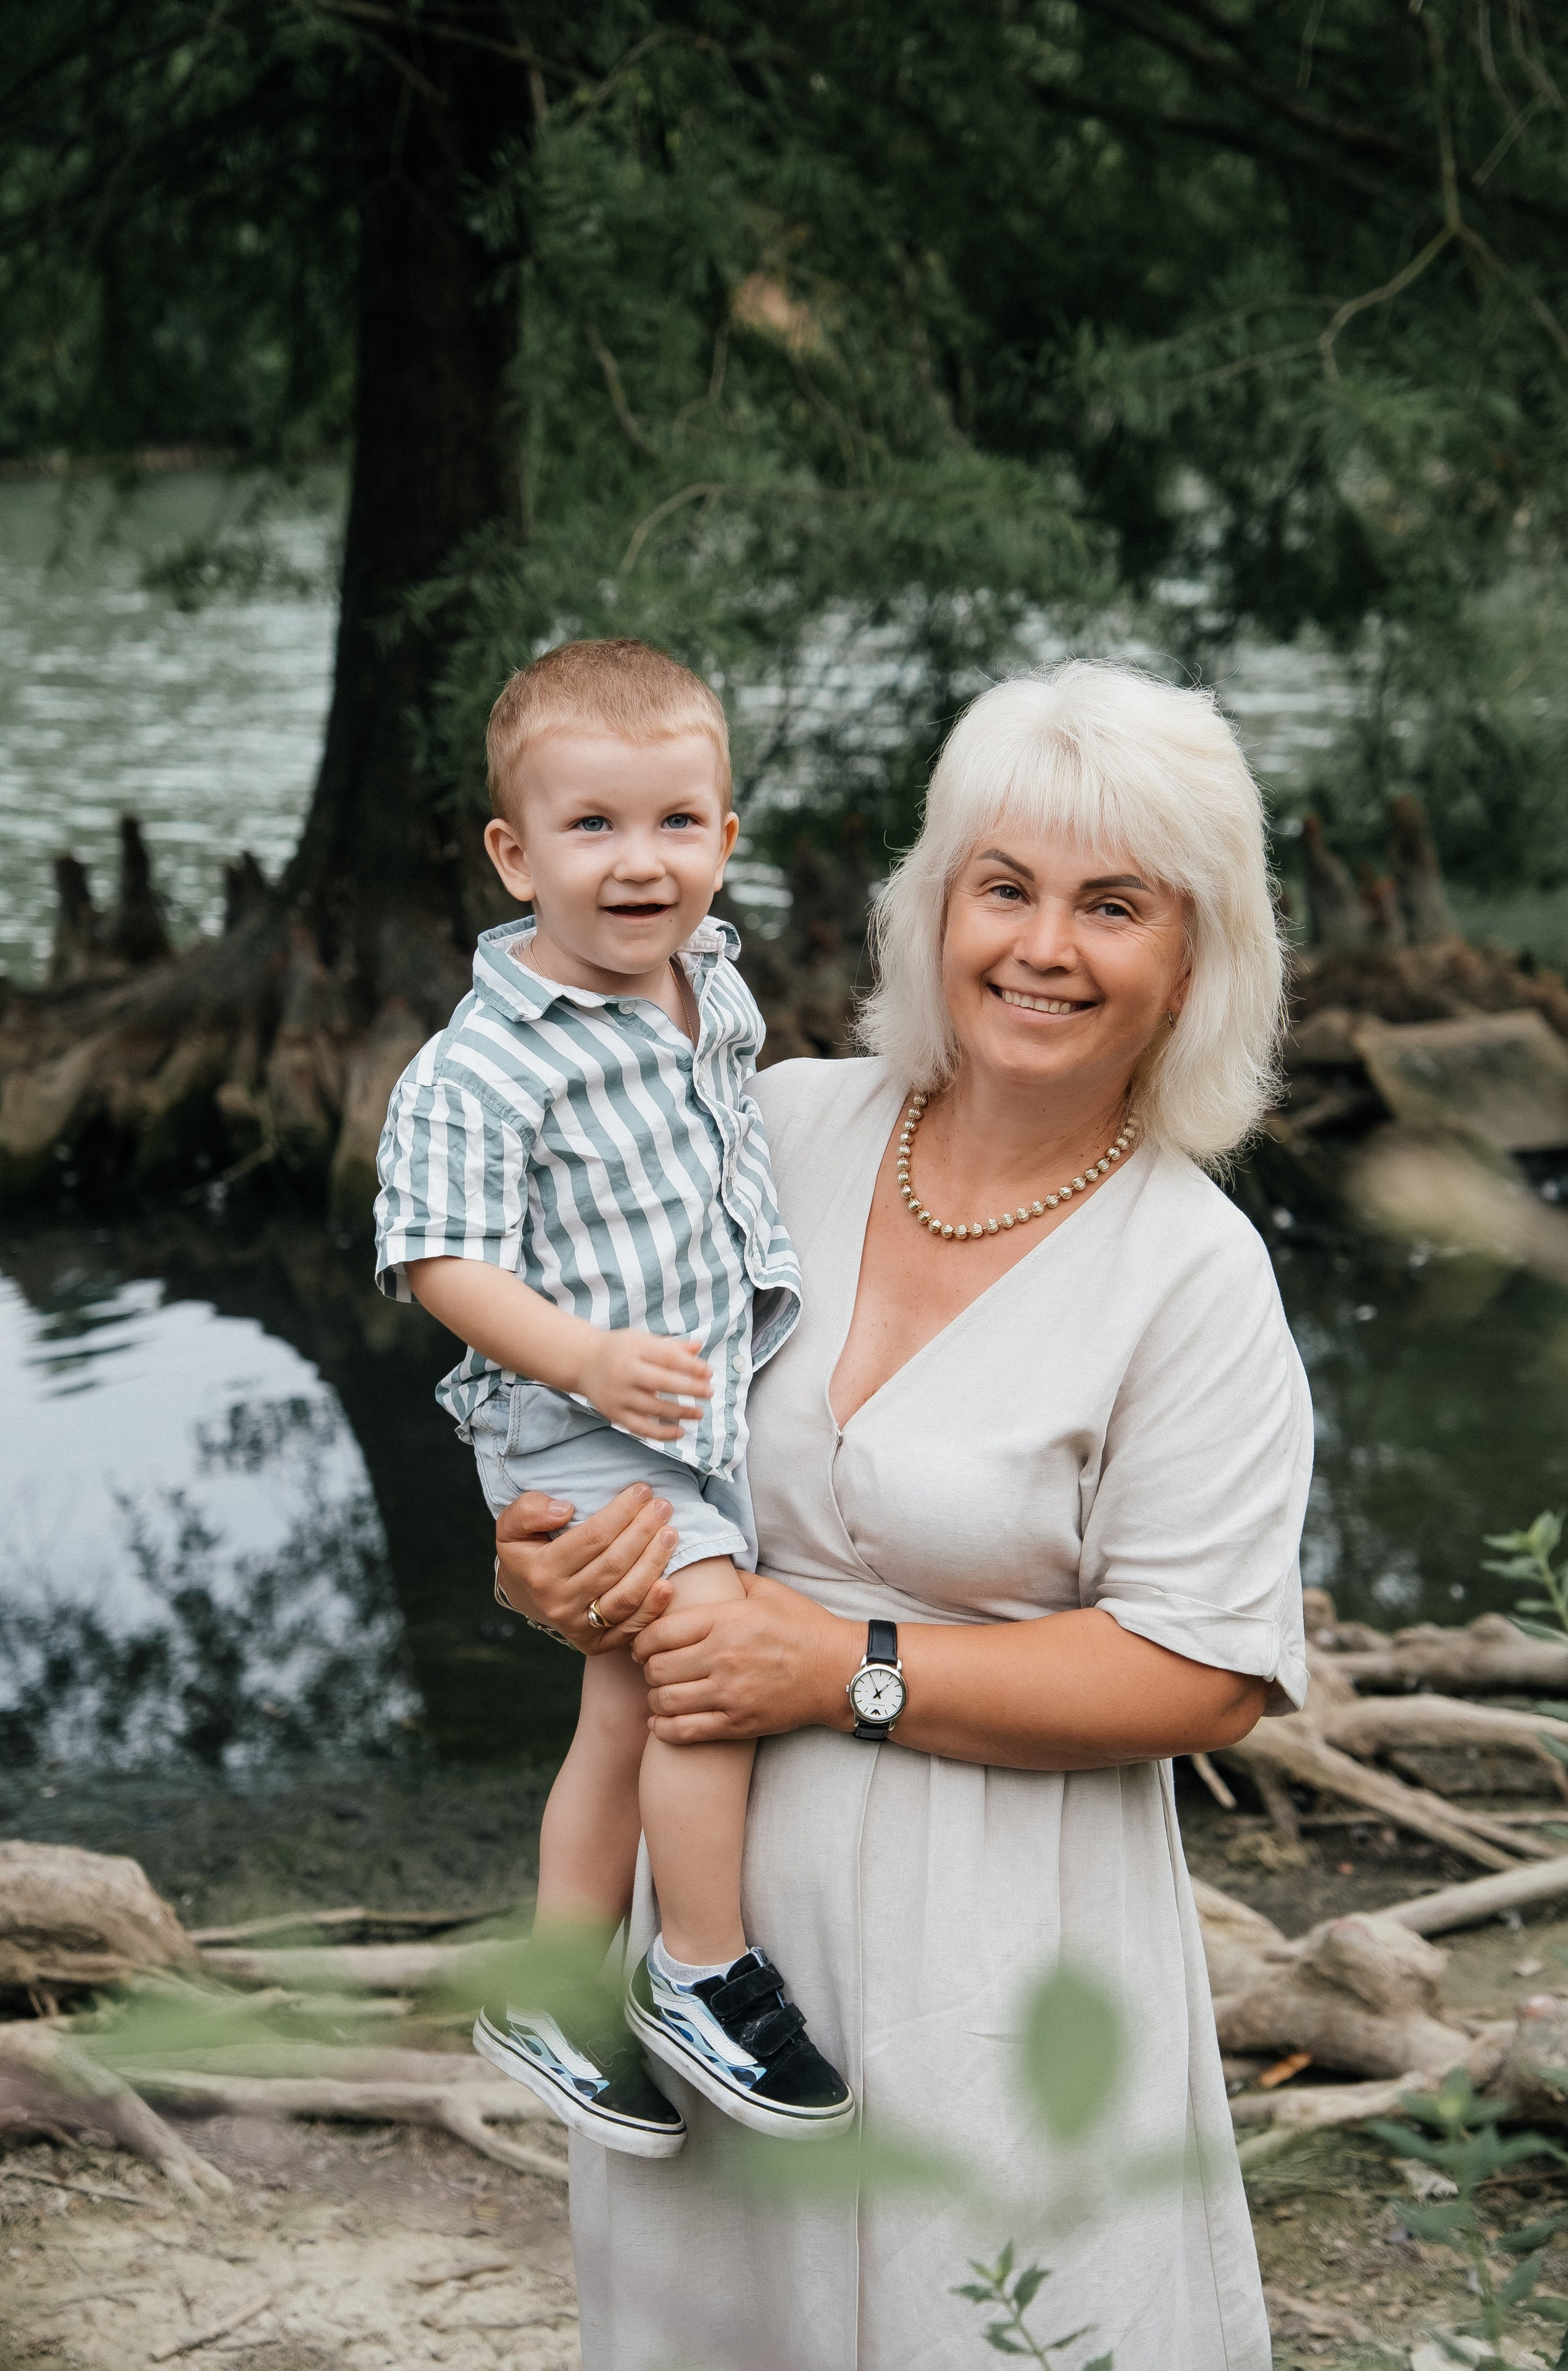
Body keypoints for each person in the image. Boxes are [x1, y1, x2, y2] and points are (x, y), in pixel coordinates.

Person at [490, 659, 1313, 2371]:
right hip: (717, 1959)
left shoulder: (1194, 1276)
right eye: (1002, 888)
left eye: (1112, 906)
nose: (1042, 946)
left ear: (1192, 960)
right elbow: (604, 1426)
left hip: (1007, 1956)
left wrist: (843, 1665)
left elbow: (1208, 1675)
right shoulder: (767, 1131)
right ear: (933, 907)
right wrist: (556, 1566)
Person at [371, 638, 854, 2160]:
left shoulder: (708, 990)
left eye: (674, 824)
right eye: (591, 828)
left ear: (725, 838)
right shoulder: (486, 1063)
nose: (637, 865)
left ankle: (551, 1983)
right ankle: (698, 1965)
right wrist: (578, 1356)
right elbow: (435, 1256)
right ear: (515, 854)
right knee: (702, 1664)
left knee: (621, 1707)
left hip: (676, 1413)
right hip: (574, 1414)